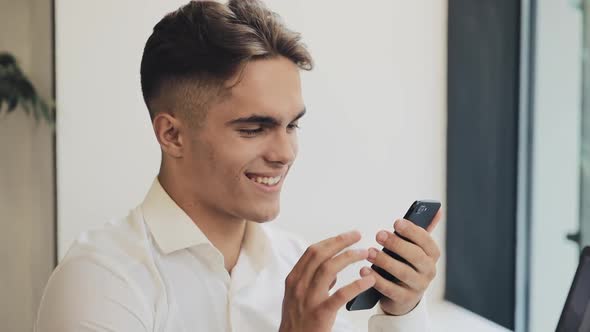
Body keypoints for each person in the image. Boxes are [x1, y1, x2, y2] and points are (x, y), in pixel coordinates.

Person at [35, 0, 441, 331]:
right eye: (254, 128)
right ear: (172, 135)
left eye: (292, 125)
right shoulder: (99, 280)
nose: (285, 152)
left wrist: (401, 313)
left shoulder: (295, 266)